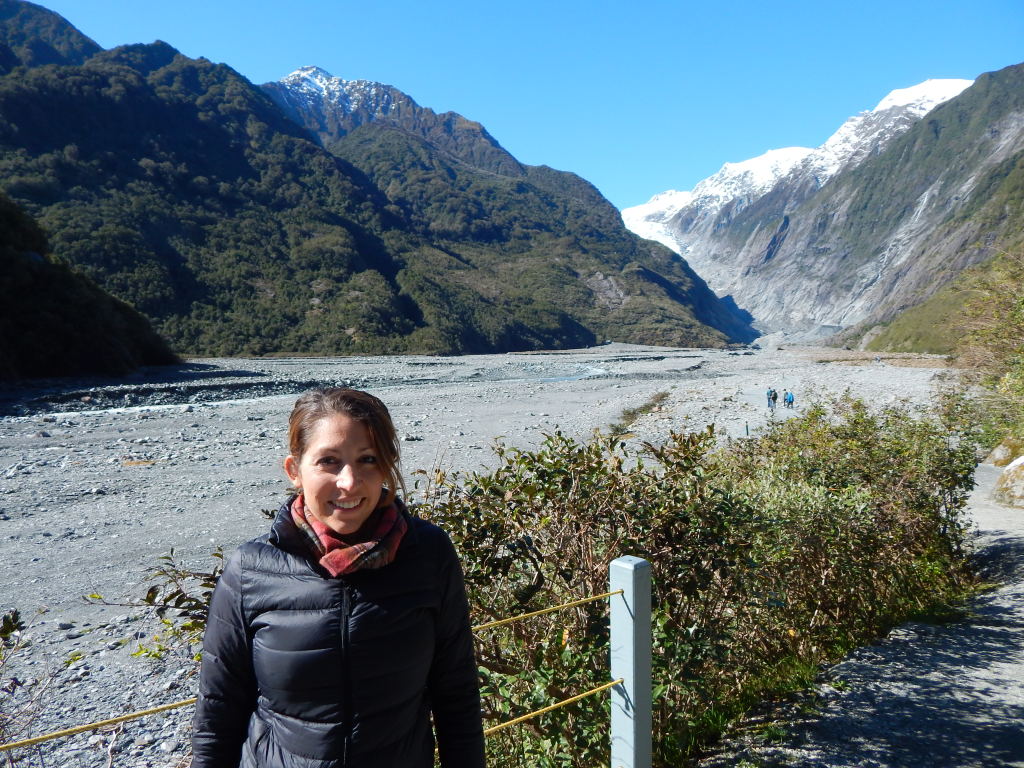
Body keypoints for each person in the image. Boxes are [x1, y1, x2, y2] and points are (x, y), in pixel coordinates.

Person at [192, 387, 485, 768]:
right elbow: (219, 711)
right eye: (329, 461)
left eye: (367, 459)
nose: (349, 482)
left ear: (386, 465)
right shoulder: (252, 569)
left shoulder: (427, 553)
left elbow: (456, 691)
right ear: (294, 471)